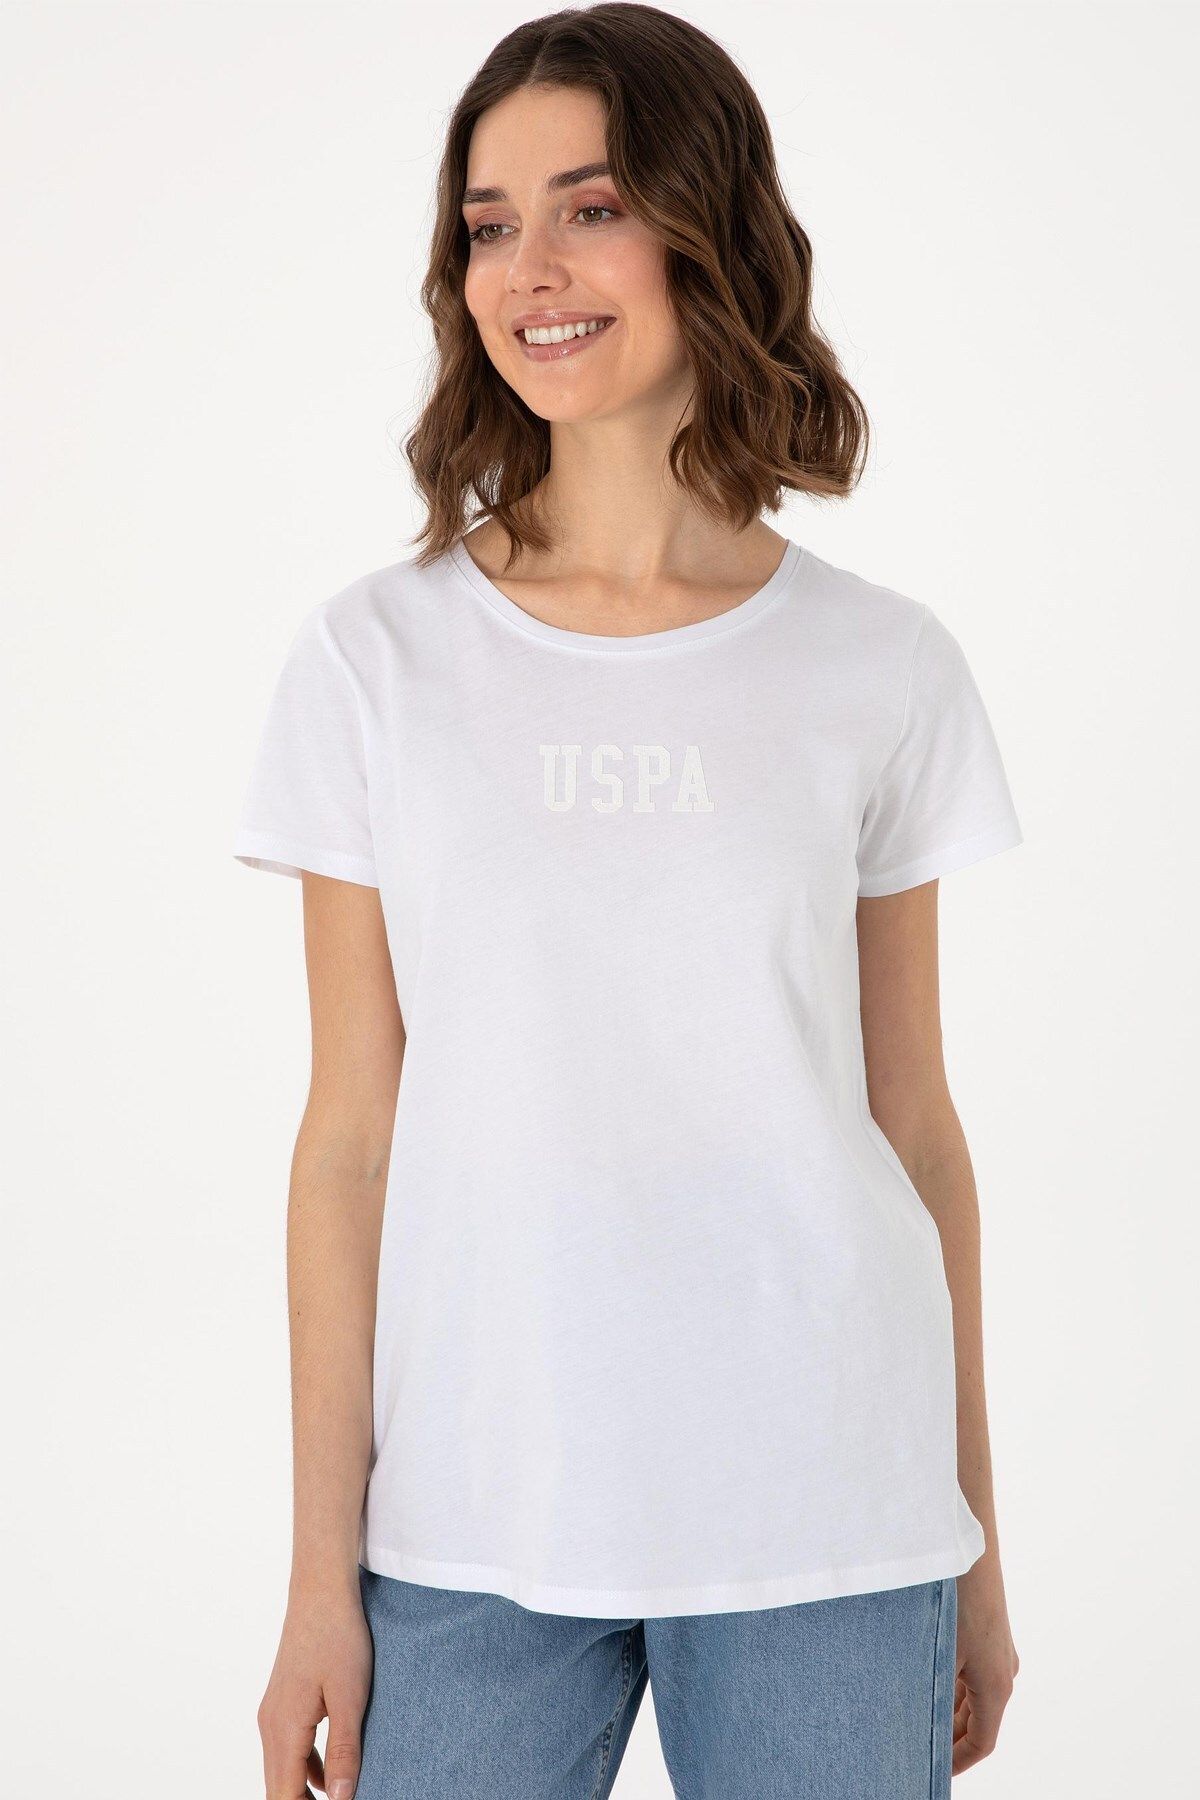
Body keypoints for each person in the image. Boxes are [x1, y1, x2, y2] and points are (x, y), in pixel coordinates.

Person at [233, 6, 1023, 1796]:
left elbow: (915, 1128)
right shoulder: (375, 662)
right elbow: (348, 1144)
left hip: (833, 1515)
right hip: (469, 1527)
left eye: (588, 207)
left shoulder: (879, 665)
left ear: (703, 228)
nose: (529, 270)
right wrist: (314, 1585)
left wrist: (974, 1547)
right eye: (489, 224)